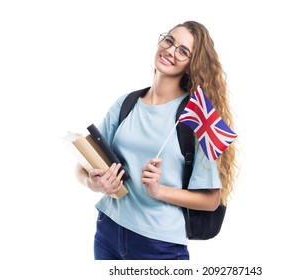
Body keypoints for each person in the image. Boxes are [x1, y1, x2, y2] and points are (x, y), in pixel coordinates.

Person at [75, 20, 237, 260]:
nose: (171, 51)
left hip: (158, 244)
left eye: (183, 51)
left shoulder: (195, 117)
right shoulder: (126, 103)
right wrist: (93, 183)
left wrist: (159, 191)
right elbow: (83, 165)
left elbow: (212, 200)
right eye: (169, 41)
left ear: (192, 65)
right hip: (108, 229)